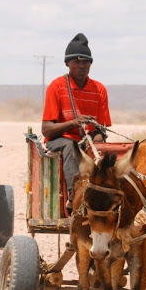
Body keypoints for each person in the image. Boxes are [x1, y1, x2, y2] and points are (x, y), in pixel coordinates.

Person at [41, 33, 112, 210]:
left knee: (105, 152)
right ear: (67, 63)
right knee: (71, 146)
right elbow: (47, 130)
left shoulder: (99, 89)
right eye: (77, 62)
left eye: (85, 62)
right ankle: (76, 197)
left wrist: (97, 143)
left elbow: (100, 130)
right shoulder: (56, 87)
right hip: (59, 140)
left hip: (86, 140)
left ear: (91, 64)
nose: (82, 66)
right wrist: (74, 123)